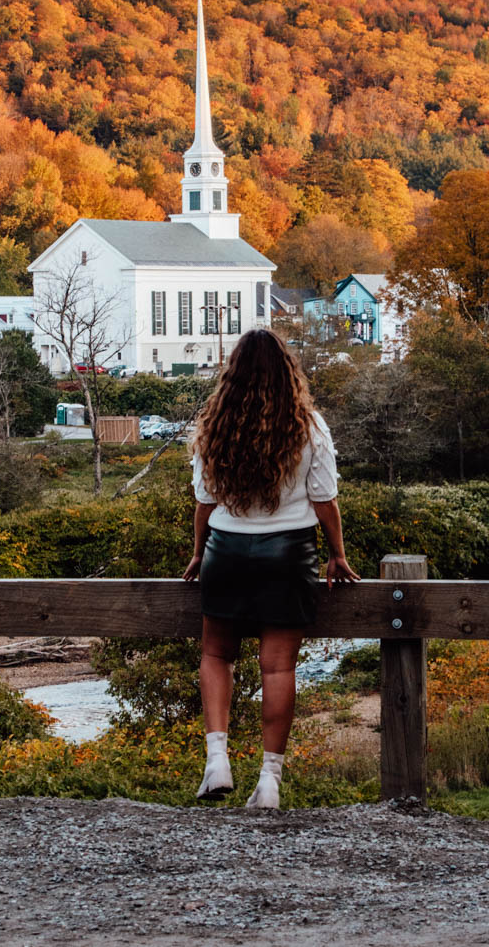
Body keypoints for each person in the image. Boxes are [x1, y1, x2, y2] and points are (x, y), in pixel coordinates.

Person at [182, 328, 359, 809]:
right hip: (287, 556)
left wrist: (200, 552)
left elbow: (204, 503)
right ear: (288, 372)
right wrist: (337, 554)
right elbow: (325, 502)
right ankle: (269, 782)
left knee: (217, 655)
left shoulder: (215, 426)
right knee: (277, 667)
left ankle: (216, 759)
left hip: (227, 552)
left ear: (232, 372)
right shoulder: (310, 427)